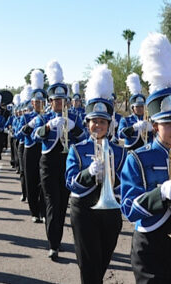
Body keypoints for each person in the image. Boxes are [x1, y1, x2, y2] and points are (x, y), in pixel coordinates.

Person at [66, 65, 126, 283]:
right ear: (87, 123)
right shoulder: (77, 149)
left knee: (102, 262)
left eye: (102, 122)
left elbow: (125, 183)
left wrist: (112, 177)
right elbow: (71, 182)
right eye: (94, 121)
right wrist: (89, 173)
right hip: (83, 210)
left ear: (109, 125)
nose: (98, 125)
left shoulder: (119, 152)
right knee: (89, 265)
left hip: (110, 212)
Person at [121, 32, 171, 283]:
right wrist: (161, 193)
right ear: (154, 125)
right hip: (150, 245)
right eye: (168, 124)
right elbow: (129, 208)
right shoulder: (138, 159)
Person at [33, 60, 85, 260]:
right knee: (52, 201)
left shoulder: (74, 117)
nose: (60, 103)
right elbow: (37, 135)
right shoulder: (44, 116)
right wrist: (48, 126)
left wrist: (74, 127)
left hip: (67, 162)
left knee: (63, 203)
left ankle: (57, 238)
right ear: (51, 101)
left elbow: (83, 138)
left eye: (63, 100)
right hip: (48, 162)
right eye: (56, 100)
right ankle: (53, 243)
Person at [20, 69, 47, 223]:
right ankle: (34, 211)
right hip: (30, 150)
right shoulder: (26, 116)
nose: (38, 104)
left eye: (41, 102)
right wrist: (28, 126)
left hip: (44, 150)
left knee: (43, 182)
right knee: (31, 181)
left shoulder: (48, 116)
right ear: (32, 103)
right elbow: (18, 134)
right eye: (36, 102)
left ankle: (43, 210)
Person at [118, 73, 153, 150]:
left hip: (147, 149)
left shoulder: (150, 119)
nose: (140, 108)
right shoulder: (125, 120)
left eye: (142, 106)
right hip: (131, 149)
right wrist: (134, 127)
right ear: (132, 108)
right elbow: (120, 134)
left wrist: (152, 129)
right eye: (137, 107)